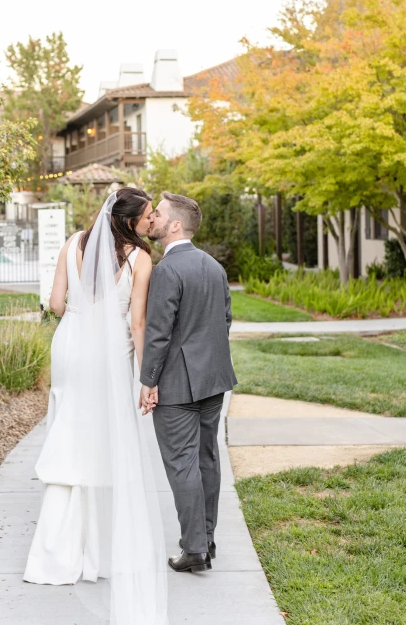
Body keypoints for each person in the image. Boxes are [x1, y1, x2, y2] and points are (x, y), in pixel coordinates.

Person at [24, 188, 168, 625]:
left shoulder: (72, 242)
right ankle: (101, 553)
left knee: (69, 436)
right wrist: (149, 379)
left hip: (69, 346)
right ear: (128, 222)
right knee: (107, 442)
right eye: (146, 217)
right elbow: (137, 323)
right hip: (107, 354)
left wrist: (83, 316)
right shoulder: (141, 259)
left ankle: (57, 555)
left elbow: (54, 304)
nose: (151, 223)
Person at [140, 191, 237, 574]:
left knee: (182, 464)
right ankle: (207, 538)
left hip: (178, 387)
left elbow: (158, 334)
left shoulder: (167, 270)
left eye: (158, 214)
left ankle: (194, 548)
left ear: (175, 224)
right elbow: (225, 320)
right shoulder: (214, 267)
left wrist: (149, 381)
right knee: (206, 459)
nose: (153, 219)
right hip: (214, 381)